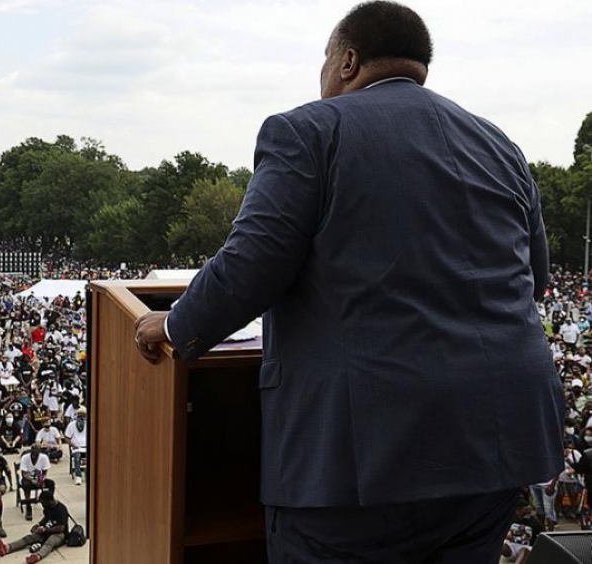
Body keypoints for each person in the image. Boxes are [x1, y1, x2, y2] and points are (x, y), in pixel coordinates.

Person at [132, 2, 564, 561]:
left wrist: (173, 324)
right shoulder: (499, 145)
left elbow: (250, 263)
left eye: (325, 59)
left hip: (362, 458)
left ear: (348, 60)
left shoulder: (307, 130)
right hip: (497, 448)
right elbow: (534, 281)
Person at [0, 490, 69, 564]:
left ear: (49, 501)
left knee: (50, 542)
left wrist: (45, 530)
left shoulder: (61, 509)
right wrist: (38, 525)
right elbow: (46, 517)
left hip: (60, 534)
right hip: (47, 530)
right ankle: (6, 548)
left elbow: (61, 528)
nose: (42, 505)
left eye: (43, 503)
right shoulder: (47, 506)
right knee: (29, 538)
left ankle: (38, 556)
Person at [17, 445, 51, 521]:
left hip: (39, 477)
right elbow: (24, 474)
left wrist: (41, 480)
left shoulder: (44, 457)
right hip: (28, 479)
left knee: (51, 484)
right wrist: (33, 480)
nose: (33, 456)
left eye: (35, 454)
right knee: (26, 485)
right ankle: (28, 507)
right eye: (32, 454)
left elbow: (45, 472)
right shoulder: (25, 458)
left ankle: (48, 504)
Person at [64, 406, 87, 485]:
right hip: (76, 447)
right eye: (80, 415)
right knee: (77, 458)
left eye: (83, 415)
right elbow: (67, 437)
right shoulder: (71, 425)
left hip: (86, 447)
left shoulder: (89, 423)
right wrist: (72, 445)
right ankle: (78, 476)